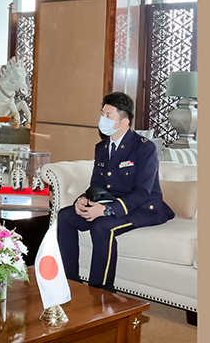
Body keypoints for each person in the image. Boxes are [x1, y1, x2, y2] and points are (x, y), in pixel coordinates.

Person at [57, 92, 174, 292]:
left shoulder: (144, 148)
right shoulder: (102, 148)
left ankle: (100, 291)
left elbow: (142, 192)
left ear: (124, 122)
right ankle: (70, 282)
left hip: (143, 207)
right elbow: (97, 184)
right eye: (102, 113)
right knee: (65, 216)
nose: (102, 118)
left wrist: (106, 211)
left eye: (108, 115)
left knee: (102, 226)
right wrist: (83, 199)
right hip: (112, 202)